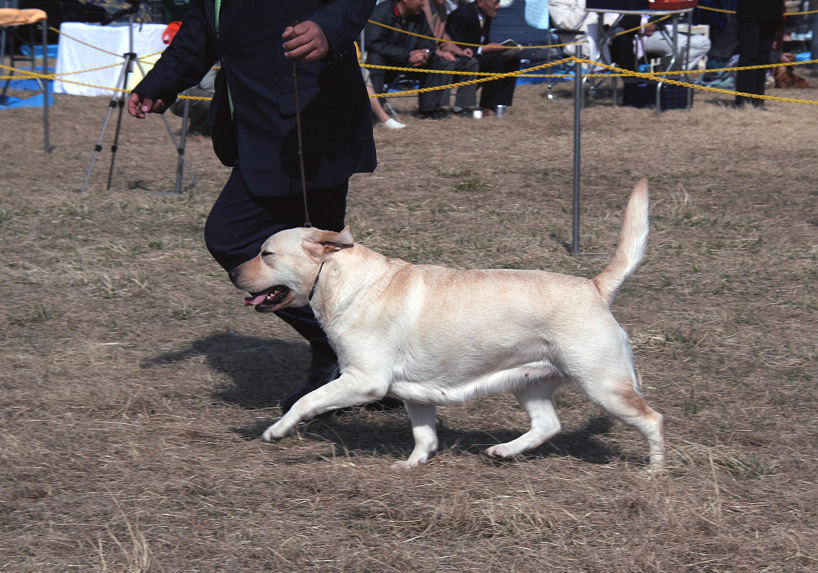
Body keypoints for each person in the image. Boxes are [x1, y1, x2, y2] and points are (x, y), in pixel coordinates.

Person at [128, 1, 378, 413]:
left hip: (310, 119)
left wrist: (328, 28)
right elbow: (202, 30)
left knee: (233, 236)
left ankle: (340, 350)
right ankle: (369, 365)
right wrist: (159, 83)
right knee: (326, 257)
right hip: (262, 126)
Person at [366, 0, 457, 120]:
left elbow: (429, 40)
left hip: (412, 61)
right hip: (388, 62)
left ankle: (429, 110)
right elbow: (374, 44)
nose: (423, 3)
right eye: (420, 0)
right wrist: (407, 55)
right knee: (375, 58)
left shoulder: (418, 14)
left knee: (435, 60)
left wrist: (425, 53)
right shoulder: (380, 13)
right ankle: (374, 112)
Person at [446, 0, 521, 116]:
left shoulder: (485, 15)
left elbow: (482, 42)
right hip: (461, 60)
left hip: (477, 57)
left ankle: (501, 103)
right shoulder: (461, 15)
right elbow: (456, 46)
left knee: (512, 60)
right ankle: (488, 106)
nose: (498, 7)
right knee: (496, 60)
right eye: (494, 3)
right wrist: (484, 49)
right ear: (480, 2)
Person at [422, 0, 479, 114]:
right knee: (446, 62)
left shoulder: (442, 9)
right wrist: (439, 52)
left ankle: (462, 106)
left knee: (470, 62)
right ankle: (438, 106)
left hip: (436, 51)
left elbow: (443, 38)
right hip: (423, 52)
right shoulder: (421, 6)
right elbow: (421, 38)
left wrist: (460, 51)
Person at [734, 0, 785, 108]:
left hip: (772, 12)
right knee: (749, 56)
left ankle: (758, 99)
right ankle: (744, 99)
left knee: (764, 57)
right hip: (750, 12)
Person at [640, 16, 711, 71]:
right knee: (676, 47)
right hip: (643, 36)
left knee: (703, 42)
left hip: (663, 29)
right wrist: (642, 28)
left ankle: (668, 72)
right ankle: (672, 78)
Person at [169, 66, 217, 136]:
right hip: (182, 98)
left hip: (199, 95)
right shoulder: (213, 59)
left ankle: (208, 130)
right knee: (215, 100)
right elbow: (206, 84)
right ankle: (195, 129)